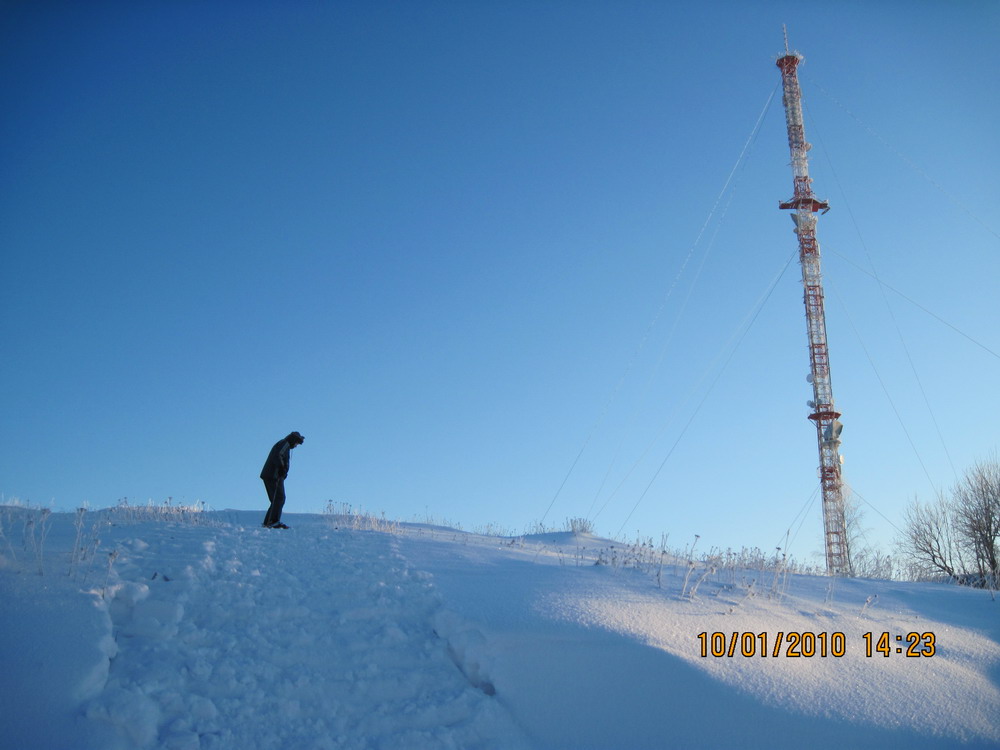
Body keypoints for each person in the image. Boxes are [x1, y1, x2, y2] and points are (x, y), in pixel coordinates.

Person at [260, 431, 304, 529]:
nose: (296, 446)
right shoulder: (284, 444)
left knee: (276, 499)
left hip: (272, 475)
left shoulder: (284, 444)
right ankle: (273, 521)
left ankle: (269, 522)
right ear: (294, 440)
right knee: (279, 498)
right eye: (297, 443)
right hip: (273, 476)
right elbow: (278, 455)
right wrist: (281, 468)